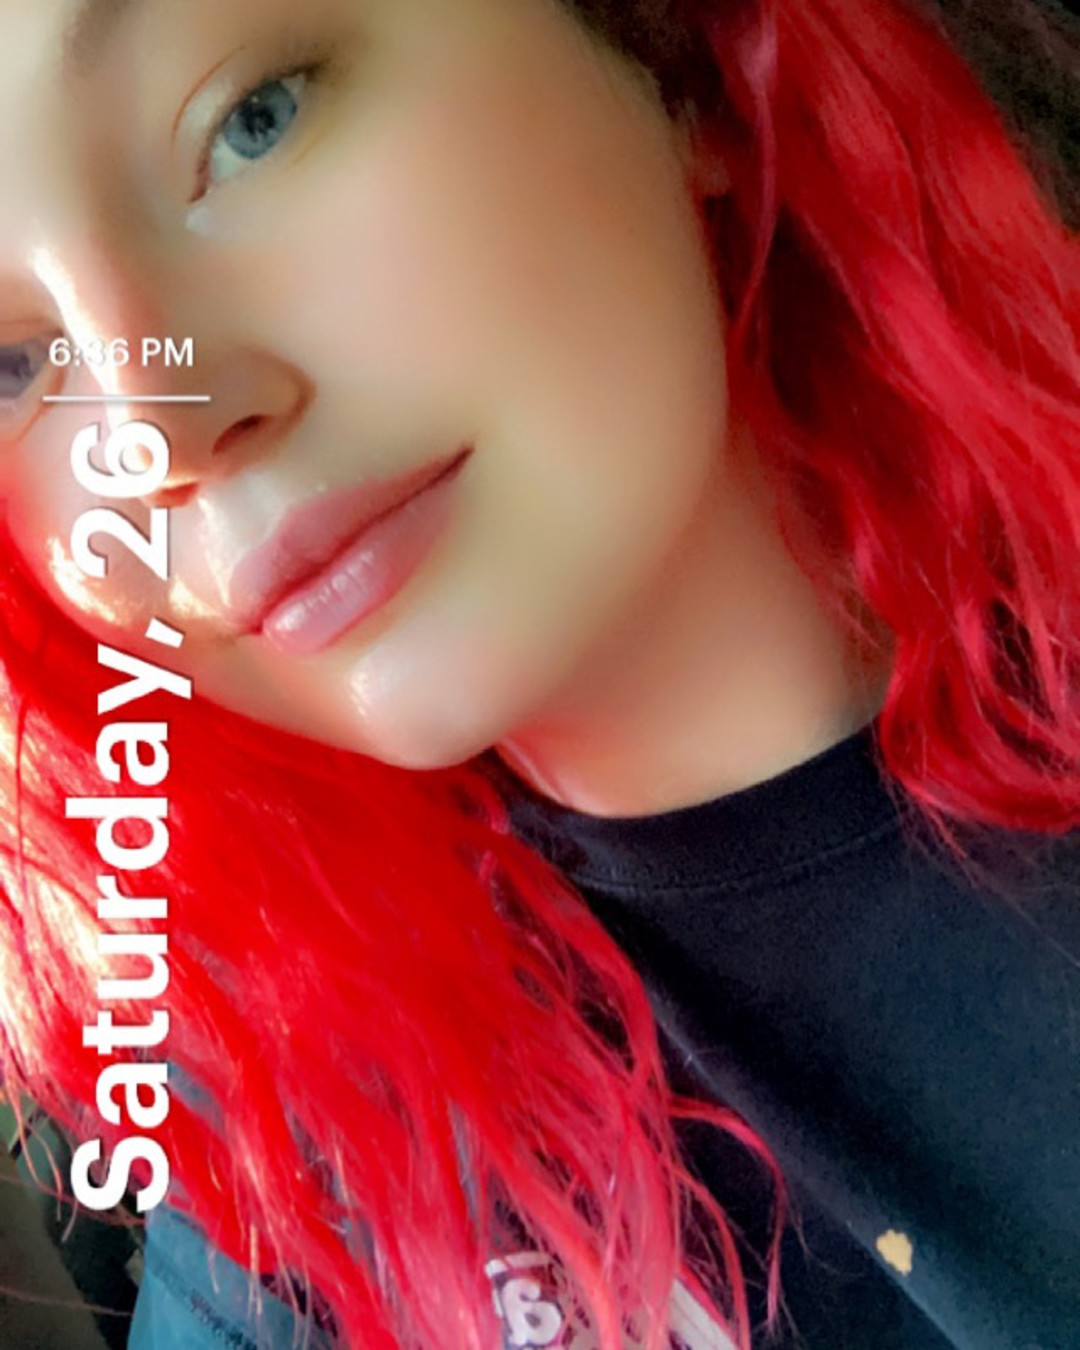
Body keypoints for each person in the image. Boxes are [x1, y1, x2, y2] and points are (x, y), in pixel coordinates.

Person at [0, 0, 1077, 1347]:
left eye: (253, 120)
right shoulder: (297, 1134)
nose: (159, 436)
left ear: (678, 60)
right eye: (12, 365)